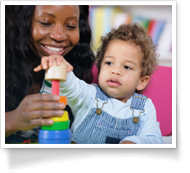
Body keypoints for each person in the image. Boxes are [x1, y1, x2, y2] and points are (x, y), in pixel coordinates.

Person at [35, 23, 164, 144]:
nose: (115, 70)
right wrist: (60, 66)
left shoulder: (145, 107)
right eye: (109, 63)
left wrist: (134, 142)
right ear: (100, 68)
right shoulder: (89, 95)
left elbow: (155, 139)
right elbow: (70, 86)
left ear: (141, 82)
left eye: (127, 67)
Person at [5, 5, 95, 143]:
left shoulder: (88, 73)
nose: (59, 36)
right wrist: (11, 120)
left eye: (71, 26)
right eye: (46, 23)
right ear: (19, 22)